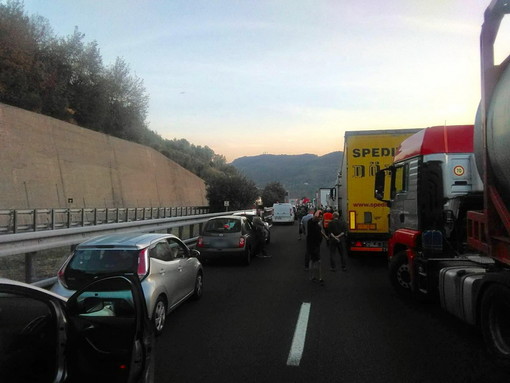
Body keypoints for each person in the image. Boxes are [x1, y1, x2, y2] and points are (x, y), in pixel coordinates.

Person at [307, 210, 328, 285]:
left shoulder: (316, 225)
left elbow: (320, 231)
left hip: (315, 245)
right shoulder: (311, 223)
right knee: (317, 262)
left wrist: (325, 236)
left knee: (313, 261)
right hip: (314, 245)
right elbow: (314, 219)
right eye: (320, 218)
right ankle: (318, 277)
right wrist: (317, 214)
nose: (321, 219)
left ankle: (313, 276)